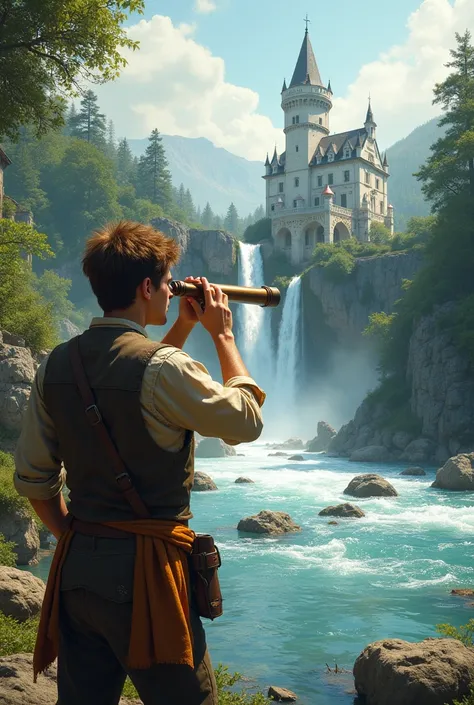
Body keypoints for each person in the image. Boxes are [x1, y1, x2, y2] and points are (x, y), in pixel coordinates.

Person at [13, 220, 265, 705]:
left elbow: (35, 480)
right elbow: (245, 421)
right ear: (147, 287)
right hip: (149, 580)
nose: (173, 291)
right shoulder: (165, 368)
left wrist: (71, 533)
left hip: (77, 570)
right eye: (168, 283)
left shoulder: (56, 365)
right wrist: (223, 336)